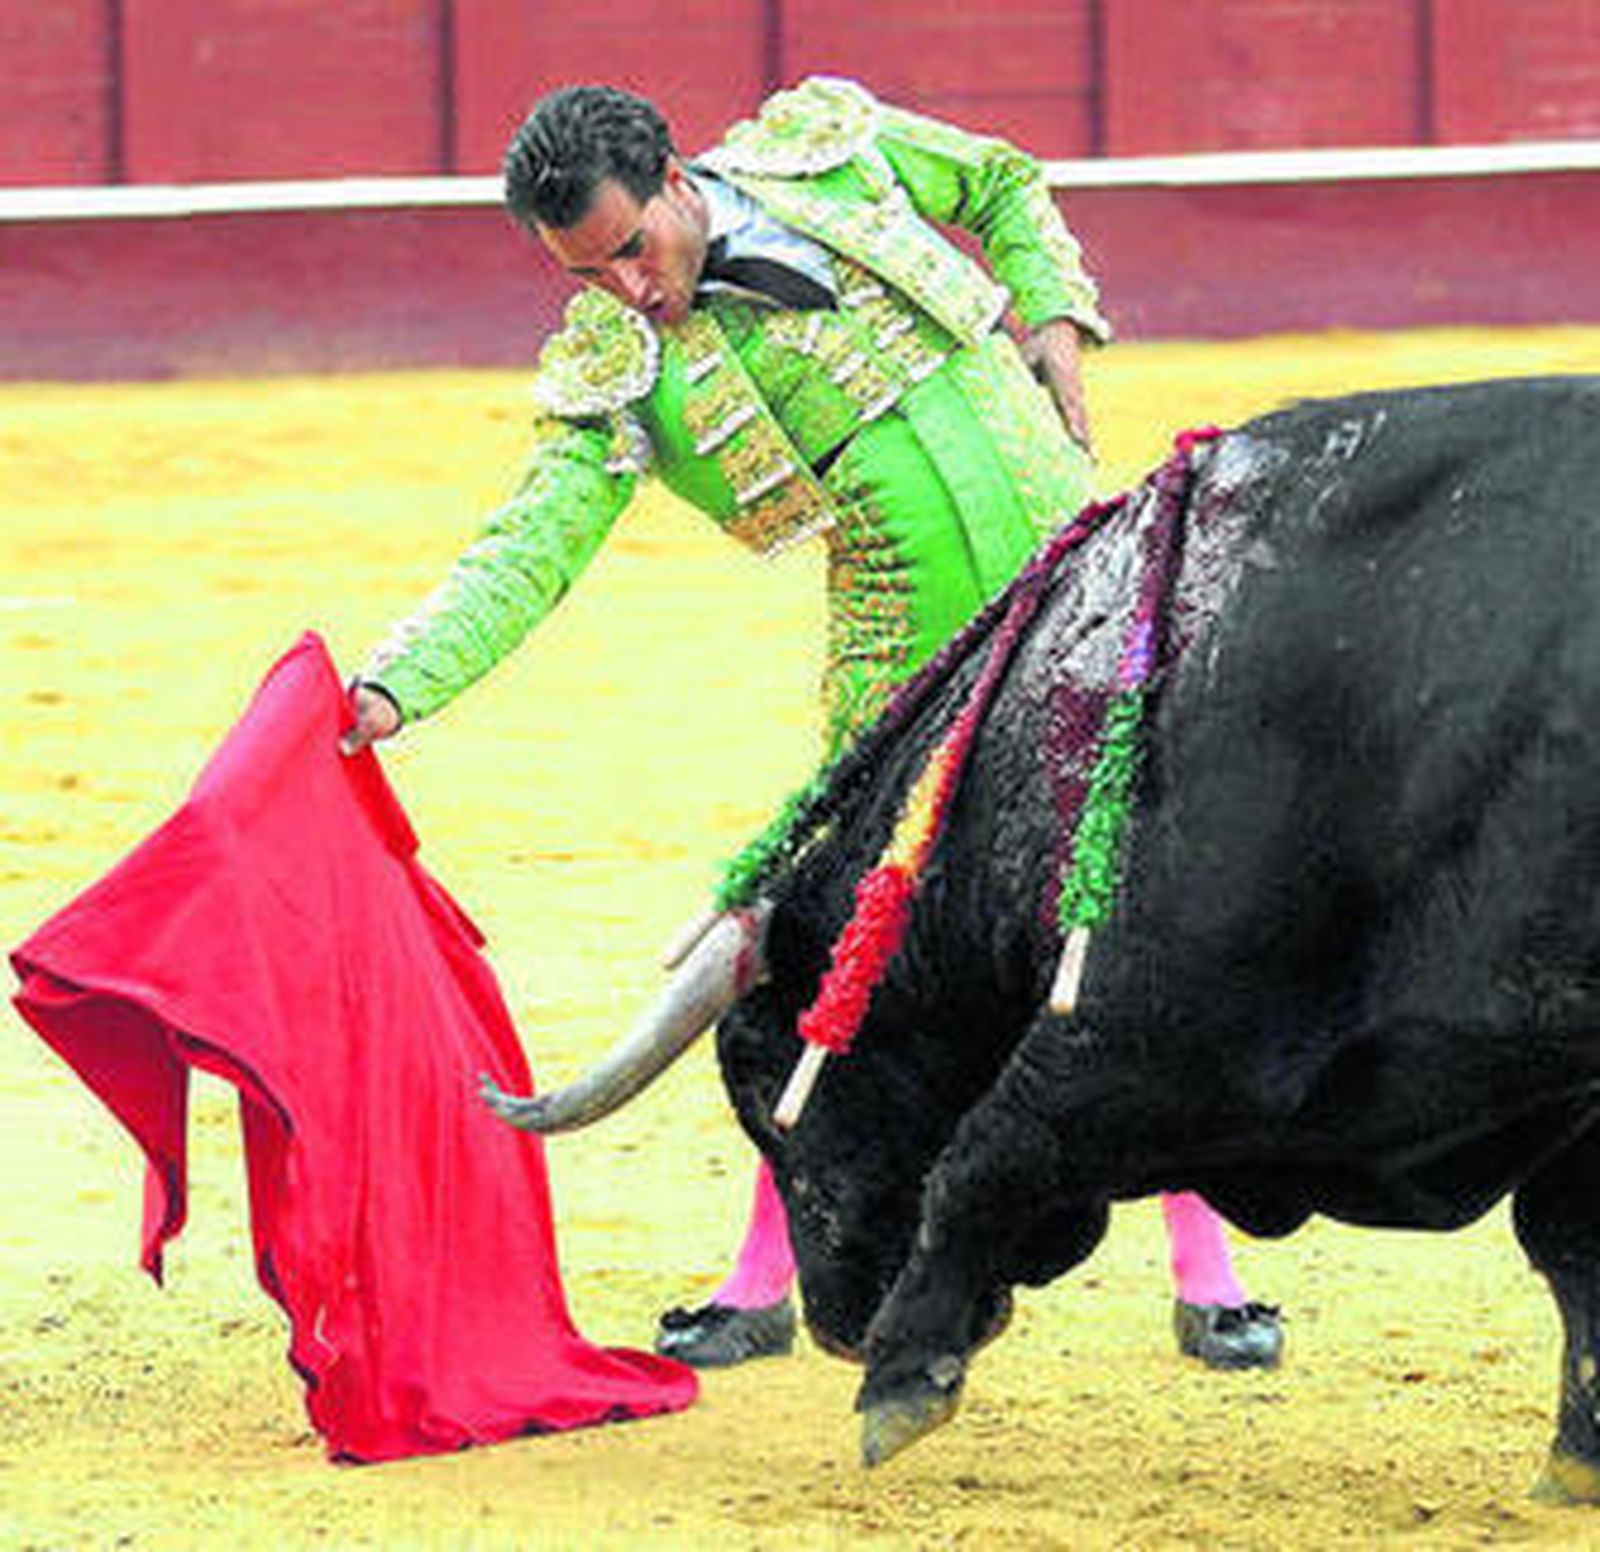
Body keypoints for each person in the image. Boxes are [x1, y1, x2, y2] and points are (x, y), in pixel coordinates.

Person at [340, 77, 1283, 1374]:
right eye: (583, 269)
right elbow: (531, 546)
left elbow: (1002, 180)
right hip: (904, 668)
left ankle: (1209, 1272)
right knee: (822, 964)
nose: (623, 286)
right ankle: (758, 1281)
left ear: (676, 177)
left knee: (1130, 907)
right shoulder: (625, 369)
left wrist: (1053, 315)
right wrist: (398, 685)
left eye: (630, 247)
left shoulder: (827, 155)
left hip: (1090, 579)